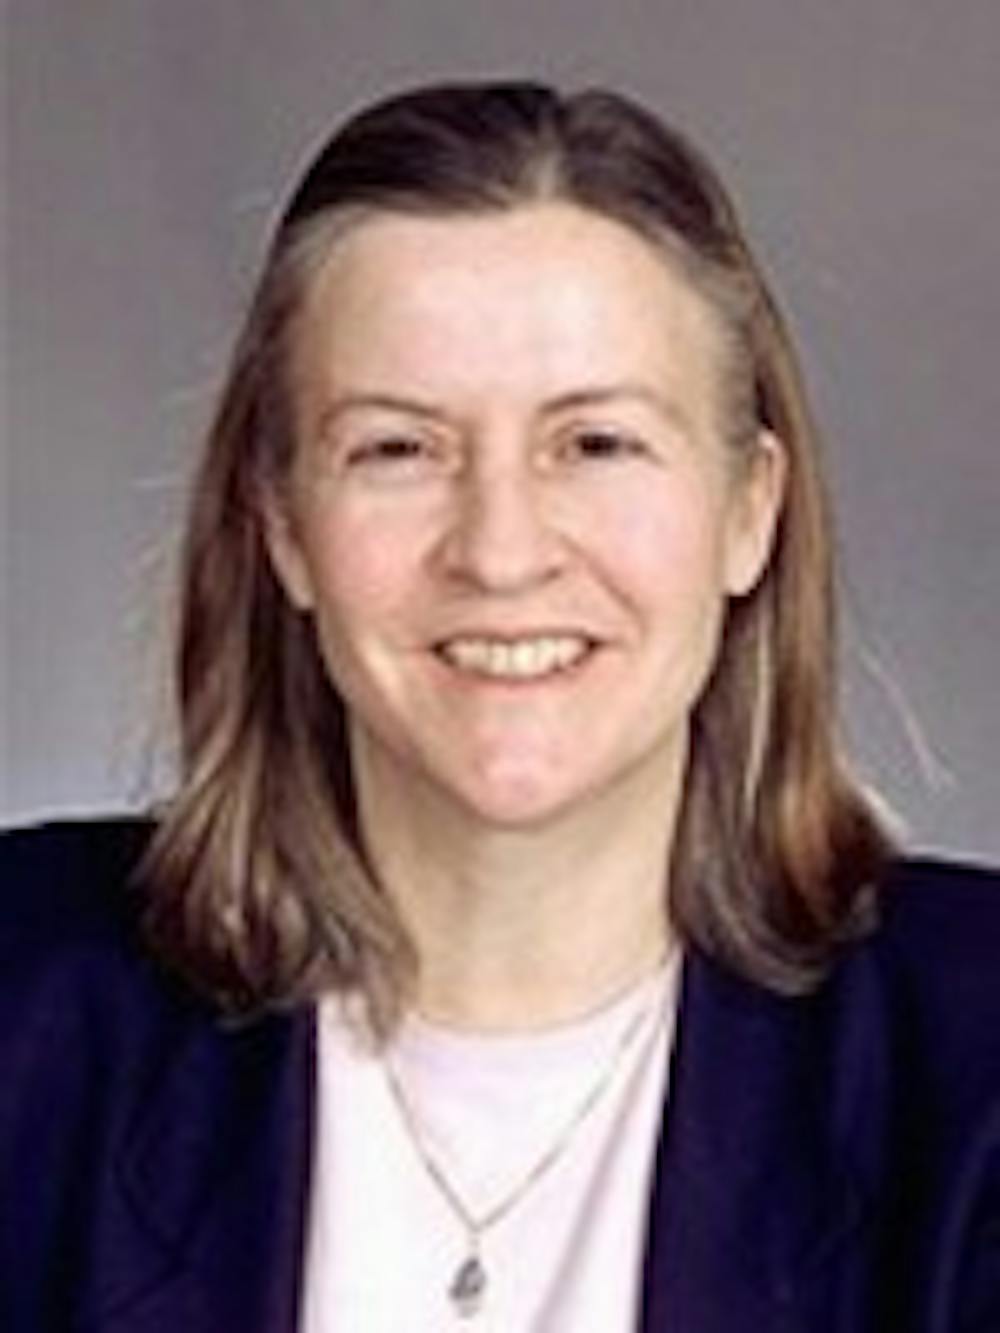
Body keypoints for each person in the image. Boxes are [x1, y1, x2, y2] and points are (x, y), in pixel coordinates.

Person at [1, 80, 998, 1333]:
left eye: (595, 444)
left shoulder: (975, 1058)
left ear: (748, 511)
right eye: (398, 448)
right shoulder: (25, 1010)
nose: (499, 550)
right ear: (284, 527)